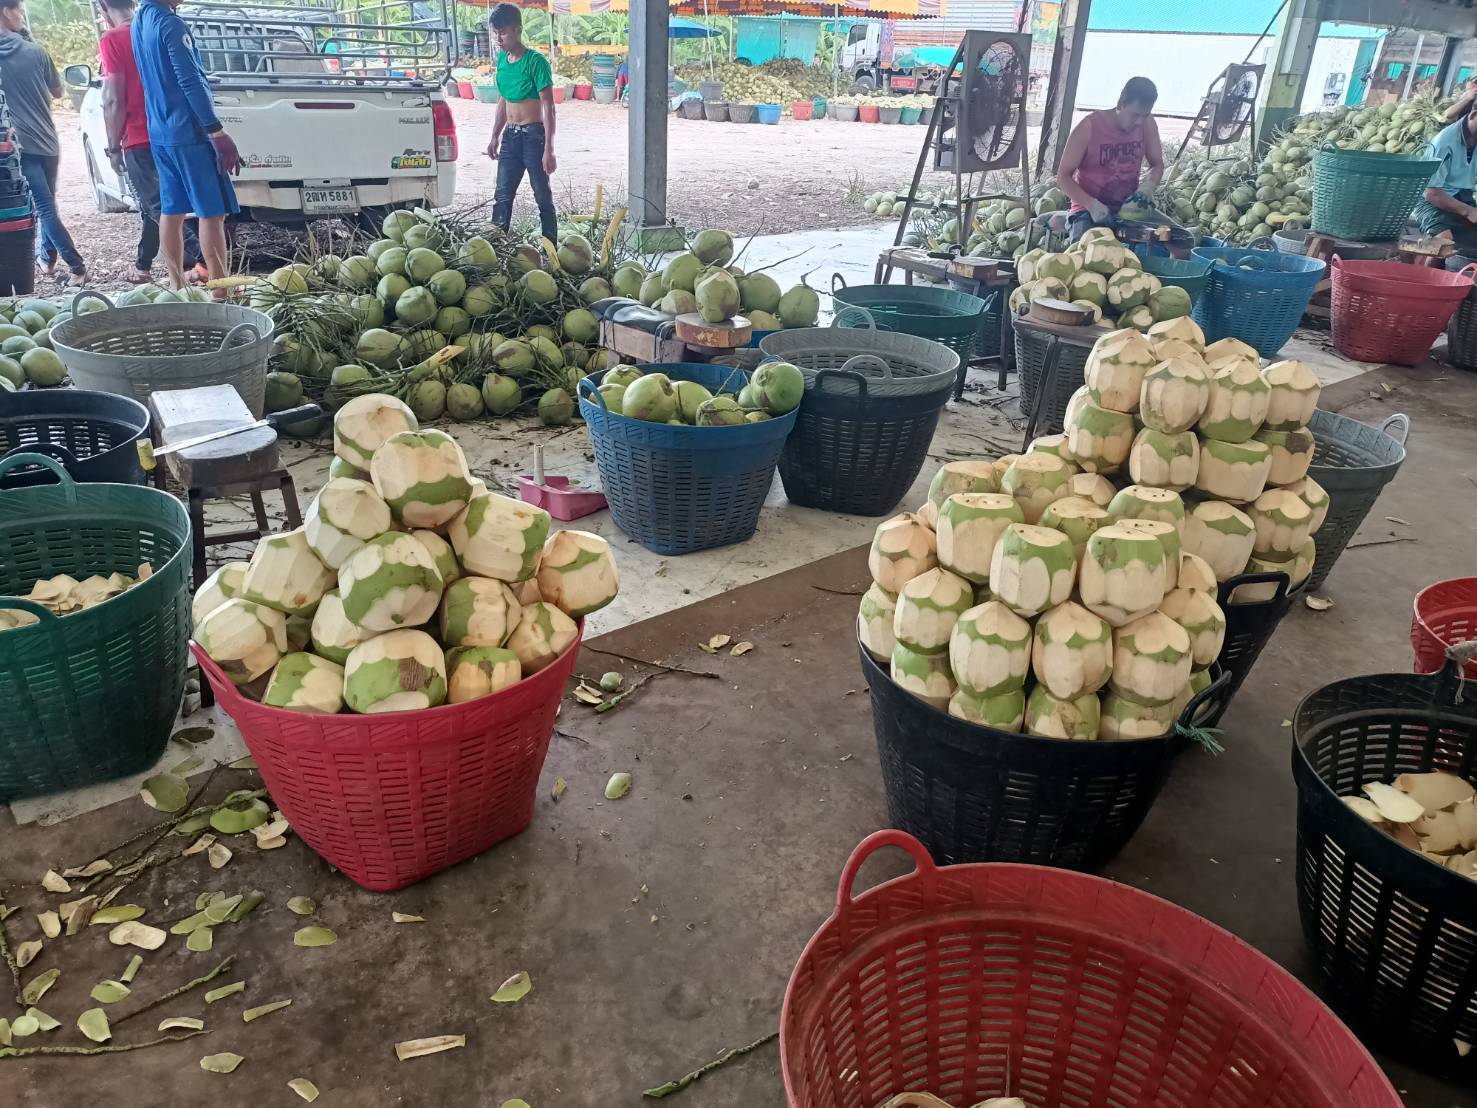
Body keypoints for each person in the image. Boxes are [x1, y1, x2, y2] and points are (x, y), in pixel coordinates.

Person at [130, 0, 241, 288]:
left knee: (172, 210)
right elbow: (189, 80)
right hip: (189, 132)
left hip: (161, 132)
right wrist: (216, 131)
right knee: (212, 213)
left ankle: (176, 286)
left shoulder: (140, 21)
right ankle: (220, 291)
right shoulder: (171, 24)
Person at [97, 0, 204, 284]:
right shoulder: (153, 27)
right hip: (171, 130)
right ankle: (144, 265)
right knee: (158, 204)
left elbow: (113, 98)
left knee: (161, 206)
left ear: (104, 8)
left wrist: (113, 145)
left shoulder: (113, 38)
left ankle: (203, 260)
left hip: (138, 136)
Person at [0, 0, 86, 285]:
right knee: (48, 205)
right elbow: (59, 91)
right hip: (48, 140)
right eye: (19, 10)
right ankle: (49, 260)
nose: (22, 15)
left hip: (18, 146)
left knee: (45, 207)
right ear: (5, 12)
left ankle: (76, 267)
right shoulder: (36, 51)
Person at [1056, 77, 1166, 244]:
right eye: (1135, 115)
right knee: (1086, 257)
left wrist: (1146, 190)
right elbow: (1063, 177)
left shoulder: (1147, 124)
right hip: (1088, 210)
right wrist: (1092, 204)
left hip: (1131, 209)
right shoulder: (1089, 127)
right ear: (1121, 104)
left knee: (1182, 241)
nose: (1139, 122)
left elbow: (1157, 164)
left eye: (1145, 115)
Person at [486, 3, 557, 246]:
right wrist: (495, 136)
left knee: (542, 196)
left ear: (518, 30)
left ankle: (551, 248)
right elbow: (503, 99)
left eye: (503, 32)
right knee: (502, 196)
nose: (498, 38)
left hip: (533, 137)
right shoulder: (502, 61)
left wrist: (549, 147)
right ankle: (495, 247)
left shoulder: (536, 62)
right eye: (495, 32)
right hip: (510, 137)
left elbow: (549, 106)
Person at [1414, 92, 1477, 258]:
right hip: (1431, 201)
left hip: (1463, 198)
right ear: (1474, 115)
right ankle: (1427, 280)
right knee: (1443, 243)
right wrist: (1467, 211)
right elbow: (1431, 192)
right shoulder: (1444, 142)